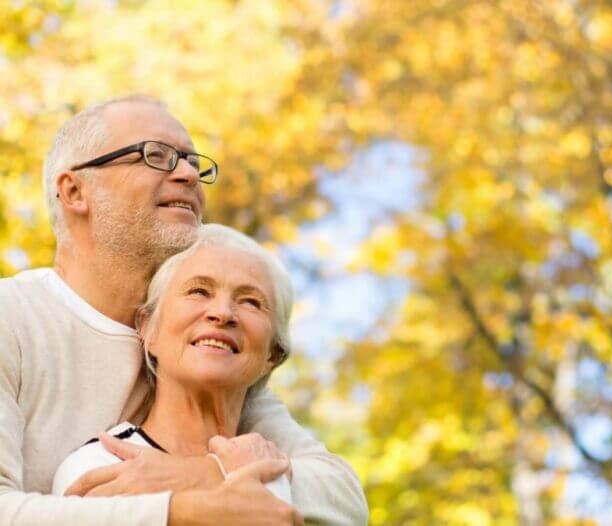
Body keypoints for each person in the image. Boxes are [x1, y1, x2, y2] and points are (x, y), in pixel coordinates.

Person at [0, 95, 368, 525]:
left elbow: (341, 496)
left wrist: (202, 474)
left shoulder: (198, 350)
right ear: (75, 191)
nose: (190, 174)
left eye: (195, 163)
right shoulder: (14, 318)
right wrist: (184, 509)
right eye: (155, 156)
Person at [52, 225, 296, 505]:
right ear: (148, 329)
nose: (222, 313)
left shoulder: (274, 465)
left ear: (272, 356)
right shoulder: (104, 464)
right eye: (199, 291)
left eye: (251, 302)